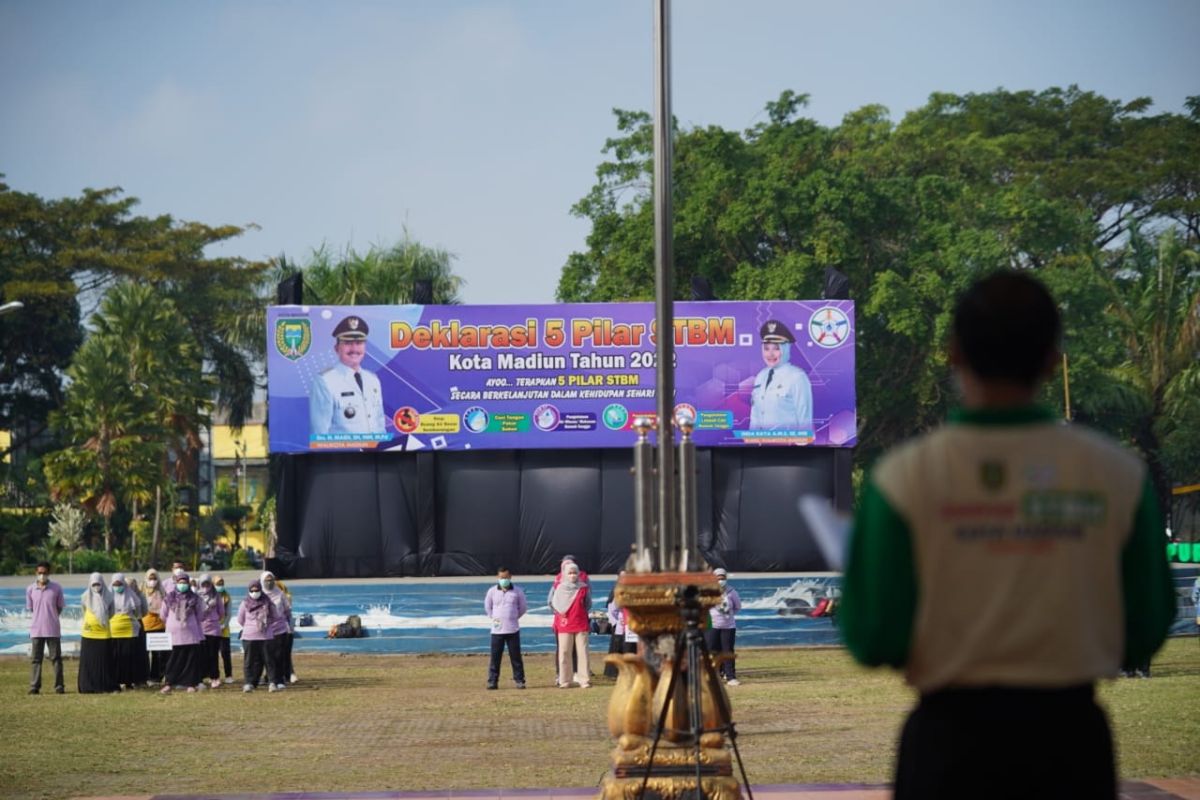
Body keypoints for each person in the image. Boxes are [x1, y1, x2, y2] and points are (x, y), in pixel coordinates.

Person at [840, 271, 1176, 800]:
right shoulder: (1116, 475)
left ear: (954, 353)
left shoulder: (905, 477)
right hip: (1070, 747)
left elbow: (871, 634)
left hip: (949, 748)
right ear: (1050, 358)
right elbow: (1148, 626)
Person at [308, 315, 387, 436]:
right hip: (343, 453)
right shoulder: (325, 381)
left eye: (359, 342)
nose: (354, 348)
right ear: (336, 348)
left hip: (375, 453)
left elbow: (380, 424)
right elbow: (320, 433)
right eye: (348, 343)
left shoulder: (373, 380)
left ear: (365, 347)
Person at [749, 319, 812, 431]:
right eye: (766, 348)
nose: (770, 354)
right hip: (760, 445)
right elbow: (755, 416)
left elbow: (804, 418)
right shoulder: (760, 376)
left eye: (776, 348)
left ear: (786, 349)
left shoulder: (797, 377)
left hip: (787, 445)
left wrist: (803, 446)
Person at [160, 571, 207, 694]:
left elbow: (200, 615)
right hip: (173, 634)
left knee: (190, 660)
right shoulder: (169, 597)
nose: (182, 584)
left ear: (188, 583)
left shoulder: (195, 598)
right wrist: (173, 623)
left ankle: (190, 684)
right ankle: (169, 683)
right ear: (176, 583)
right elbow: (163, 615)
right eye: (180, 582)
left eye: (185, 582)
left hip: (190, 633)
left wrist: (189, 623)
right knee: (172, 660)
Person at [484, 567, 528, 690]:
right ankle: (492, 681)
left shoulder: (517, 591)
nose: (504, 580)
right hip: (497, 631)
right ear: (498, 578)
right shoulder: (492, 591)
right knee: (495, 657)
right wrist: (496, 618)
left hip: (513, 629)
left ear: (510, 577)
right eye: (501, 578)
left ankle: (519, 680)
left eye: (506, 578)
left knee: (516, 657)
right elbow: (488, 607)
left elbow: (523, 607)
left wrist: (513, 617)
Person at [25, 561, 66, 695]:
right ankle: (34, 686)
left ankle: (59, 686)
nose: (42, 575)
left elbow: (59, 607)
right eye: (40, 573)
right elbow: (31, 608)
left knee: (56, 659)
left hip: (53, 629)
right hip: (36, 630)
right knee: (36, 660)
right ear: (36, 573)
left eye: (44, 573)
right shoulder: (30, 589)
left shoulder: (57, 588)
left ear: (49, 573)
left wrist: (51, 617)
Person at [550, 561, 591, 688]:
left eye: (575, 573)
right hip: (565, 624)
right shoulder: (559, 588)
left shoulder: (583, 588)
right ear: (565, 574)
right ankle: (565, 680)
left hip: (580, 624)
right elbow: (554, 604)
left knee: (583, 652)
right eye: (570, 573)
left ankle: (584, 680)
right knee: (564, 652)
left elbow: (588, 604)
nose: (573, 575)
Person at [237, 579, 282, 692]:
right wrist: (251, 626)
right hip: (249, 637)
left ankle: (272, 683)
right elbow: (240, 619)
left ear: (261, 590)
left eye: (257, 590)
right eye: (252, 590)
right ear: (249, 591)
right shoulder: (244, 603)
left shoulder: (268, 602)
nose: (254, 592)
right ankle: (249, 683)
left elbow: (276, 616)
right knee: (249, 661)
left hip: (266, 637)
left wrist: (266, 624)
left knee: (269, 661)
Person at [78, 572, 117, 694]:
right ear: (90, 584)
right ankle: (87, 686)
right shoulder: (85, 596)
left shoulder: (109, 596)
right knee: (89, 662)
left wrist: (102, 621)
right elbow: (83, 611)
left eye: (98, 584)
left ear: (102, 583)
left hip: (104, 634)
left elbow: (112, 613)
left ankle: (105, 686)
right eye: (94, 584)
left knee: (104, 662)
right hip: (88, 634)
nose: (96, 586)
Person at [706, 568, 742, 686]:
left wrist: (728, 616)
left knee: (727, 651)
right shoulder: (709, 591)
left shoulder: (732, 592)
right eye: (718, 578)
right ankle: (715, 675)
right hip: (713, 626)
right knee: (713, 650)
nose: (720, 580)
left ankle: (730, 676)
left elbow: (737, 607)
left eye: (723, 578)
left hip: (728, 627)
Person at [108, 573, 141, 690]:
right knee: (116, 657)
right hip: (113, 631)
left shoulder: (131, 595)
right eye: (115, 584)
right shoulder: (108, 595)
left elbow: (138, 611)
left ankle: (128, 681)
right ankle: (116, 681)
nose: (118, 586)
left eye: (120, 584)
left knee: (128, 657)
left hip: (129, 631)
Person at [261, 571, 291, 692]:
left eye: (271, 580)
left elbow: (287, 610)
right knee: (269, 657)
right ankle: (272, 681)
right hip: (265, 631)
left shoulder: (280, 594)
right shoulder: (260, 595)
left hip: (281, 630)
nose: (269, 582)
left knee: (279, 656)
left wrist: (290, 626)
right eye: (267, 580)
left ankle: (280, 680)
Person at [196, 574, 226, 689]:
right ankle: (200, 678)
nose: (205, 586)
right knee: (200, 655)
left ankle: (214, 677)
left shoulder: (216, 595)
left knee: (213, 655)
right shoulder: (196, 596)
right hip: (200, 629)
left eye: (207, 584)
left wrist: (213, 618)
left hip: (213, 629)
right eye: (203, 584)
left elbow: (221, 612)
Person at [141, 568, 168, 684]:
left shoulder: (162, 592)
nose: (152, 581)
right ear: (146, 579)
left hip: (159, 626)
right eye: (150, 579)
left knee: (159, 654)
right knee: (144, 654)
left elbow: (166, 607)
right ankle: (145, 676)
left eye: (154, 578)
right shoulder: (141, 591)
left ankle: (157, 677)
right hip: (145, 626)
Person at [214, 575, 235, 683]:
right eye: (218, 584)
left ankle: (229, 675)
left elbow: (229, 613)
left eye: (221, 584)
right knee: (213, 654)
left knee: (225, 653)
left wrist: (224, 625)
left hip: (224, 630)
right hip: (212, 630)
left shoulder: (227, 596)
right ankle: (215, 676)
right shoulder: (210, 595)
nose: (220, 586)